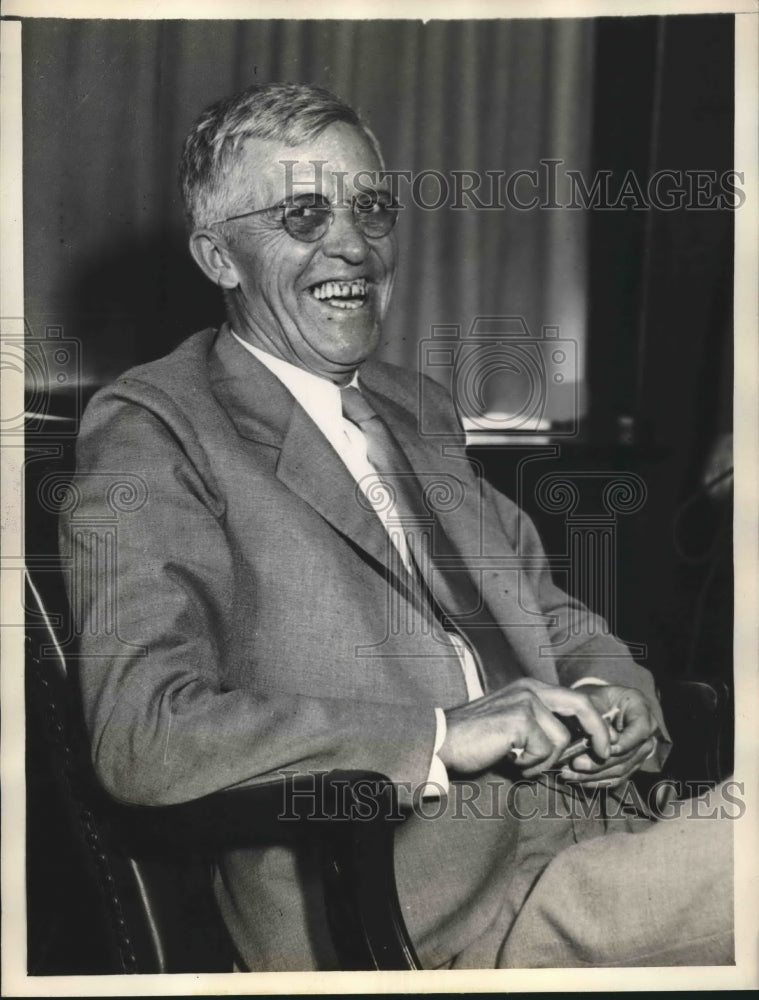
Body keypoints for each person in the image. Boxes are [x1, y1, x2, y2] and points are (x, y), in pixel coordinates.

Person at [60, 81, 731, 970]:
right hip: (426, 919)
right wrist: (443, 736)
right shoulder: (156, 428)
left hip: (603, 842)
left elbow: (548, 614)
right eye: (303, 213)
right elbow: (145, 734)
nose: (353, 244)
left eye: (371, 208)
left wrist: (621, 697)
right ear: (219, 257)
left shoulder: (414, 408)